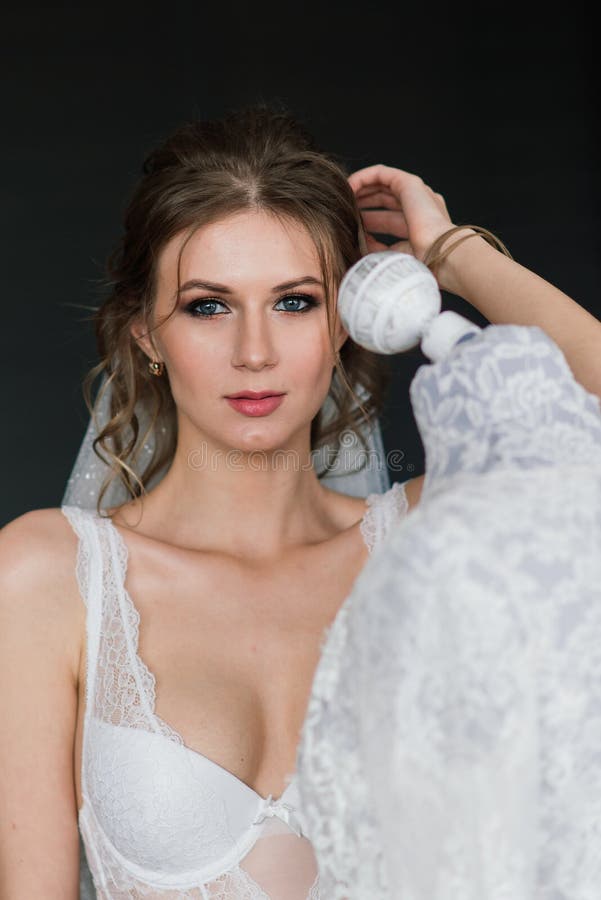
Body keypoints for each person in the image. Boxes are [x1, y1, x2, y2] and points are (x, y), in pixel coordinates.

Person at [1, 100, 600, 898]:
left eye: (295, 302)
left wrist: (452, 256)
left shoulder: (439, 538)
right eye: (208, 306)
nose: (254, 352)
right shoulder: (48, 579)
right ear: (146, 332)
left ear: (345, 320)